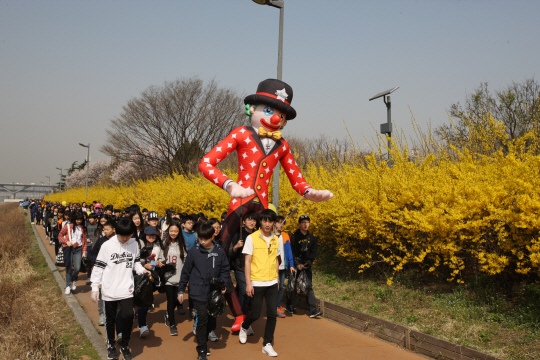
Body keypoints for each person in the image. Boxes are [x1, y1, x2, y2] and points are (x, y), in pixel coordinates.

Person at [90, 217, 149, 360]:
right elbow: (98, 267)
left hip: (126, 288)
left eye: (129, 235)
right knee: (110, 320)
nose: (125, 238)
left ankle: (125, 345)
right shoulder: (107, 245)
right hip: (109, 289)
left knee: (128, 316)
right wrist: (94, 287)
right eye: (123, 236)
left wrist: (143, 271)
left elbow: (136, 263)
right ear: (116, 232)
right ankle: (110, 346)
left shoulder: (134, 244)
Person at [177, 223, 230, 360]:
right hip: (197, 290)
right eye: (200, 239)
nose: (202, 241)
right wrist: (181, 290)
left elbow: (225, 269)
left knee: (212, 322)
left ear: (212, 236)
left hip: (214, 292)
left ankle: (204, 338)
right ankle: (201, 349)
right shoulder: (194, 251)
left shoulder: (219, 251)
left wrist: (223, 284)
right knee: (203, 319)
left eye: (205, 239)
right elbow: (186, 271)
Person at [239, 209, 281, 357]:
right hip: (257, 282)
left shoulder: (276, 239)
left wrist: (277, 279)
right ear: (260, 222)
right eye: (265, 221)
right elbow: (247, 261)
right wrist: (248, 283)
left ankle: (267, 344)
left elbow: (276, 260)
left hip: (271, 283)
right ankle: (244, 327)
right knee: (255, 314)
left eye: (270, 221)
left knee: (271, 314)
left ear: (273, 222)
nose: (268, 224)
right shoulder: (252, 238)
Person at [285, 215, 322, 318]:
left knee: (308, 286)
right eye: (303, 222)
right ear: (299, 224)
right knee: (293, 285)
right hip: (296, 265)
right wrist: (296, 264)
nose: (306, 224)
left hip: (306, 266)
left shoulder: (312, 238)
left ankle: (313, 309)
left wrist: (308, 262)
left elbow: (314, 252)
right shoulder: (294, 237)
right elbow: (291, 251)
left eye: (307, 222)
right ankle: (289, 305)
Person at [137, 226, 165, 338]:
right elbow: (135, 260)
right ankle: (142, 323)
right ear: (145, 235)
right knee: (143, 298)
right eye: (149, 235)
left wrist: (159, 262)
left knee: (146, 298)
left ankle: (141, 320)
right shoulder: (139, 245)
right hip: (141, 274)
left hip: (153, 274)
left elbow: (161, 258)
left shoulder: (157, 246)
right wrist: (144, 265)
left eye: (154, 235)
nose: (151, 237)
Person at [228, 211, 257, 316]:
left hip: (255, 268)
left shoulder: (257, 235)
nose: (252, 222)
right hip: (240, 267)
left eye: (254, 220)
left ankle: (246, 312)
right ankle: (241, 316)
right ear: (243, 222)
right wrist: (236, 246)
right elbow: (230, 252)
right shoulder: (238, 234)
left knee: (252, 292)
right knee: (245, 292)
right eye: (249, 219)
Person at [88, 220, 116, 326]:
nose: (105, 232)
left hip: (113, 271)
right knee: (101, 293)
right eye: (104, 230)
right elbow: (93, 253)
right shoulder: (101, 241)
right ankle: (101, 313)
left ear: (114, 230)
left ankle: (112, 314)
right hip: (102, 270)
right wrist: (97, 263)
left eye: (107, 229)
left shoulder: (118, 241)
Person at [162, 221, 187, 336]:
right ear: (168, 231)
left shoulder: (182, 244)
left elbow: (187, 261)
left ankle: (168, 314)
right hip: (168, 278)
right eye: (171, 231)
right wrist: (154, 263)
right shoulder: (163, 244)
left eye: (176, 231)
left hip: (179, 278)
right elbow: (154, 256)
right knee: (170, 300)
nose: (173, 233)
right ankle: (172, 324)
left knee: (178, 301)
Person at [58, 210, 88, 295]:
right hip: (69, 248)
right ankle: (67, 286)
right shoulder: (68, 226)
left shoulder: (83, 228)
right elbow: (59, 235)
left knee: (77, 268)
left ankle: (72, 280)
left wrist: (84, 251)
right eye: (77, 219)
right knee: (69, 268)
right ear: (74, 219)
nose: (78, 221)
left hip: (78, 249)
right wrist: (66, 241)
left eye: (80, 219)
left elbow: (85, 241)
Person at [274, 215, 295, 318]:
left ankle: (276, 306)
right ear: (274, 223)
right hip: (272, 267)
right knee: (274, 288)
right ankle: (272, 307)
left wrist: (291, 265)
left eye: (282, 223)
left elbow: (289, 251)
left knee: (281, 287)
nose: (281, 225)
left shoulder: (285, 236)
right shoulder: (270, 235)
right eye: (279, 222)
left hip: (283, 266)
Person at [181, 214, 197, 318]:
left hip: (191, 263)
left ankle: (192, 308)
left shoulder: (194, 235)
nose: (191, 224)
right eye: (188, 223)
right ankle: (179, 305)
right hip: (181, 262)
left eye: (192, 223)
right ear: (183, 224)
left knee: (191, 286)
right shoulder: (180, 234)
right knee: (180, 283)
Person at [85, 213, 99, 285]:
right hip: (89, 245)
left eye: (91, 218)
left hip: (96, 246)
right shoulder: (87, 226)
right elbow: (85, 234)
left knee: (96, 262)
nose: (90, 220)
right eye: (89, 218)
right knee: (90, 261)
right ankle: (89, 277)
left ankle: (95, 277)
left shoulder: (98, 226)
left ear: (96, 219)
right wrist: (86, 238)